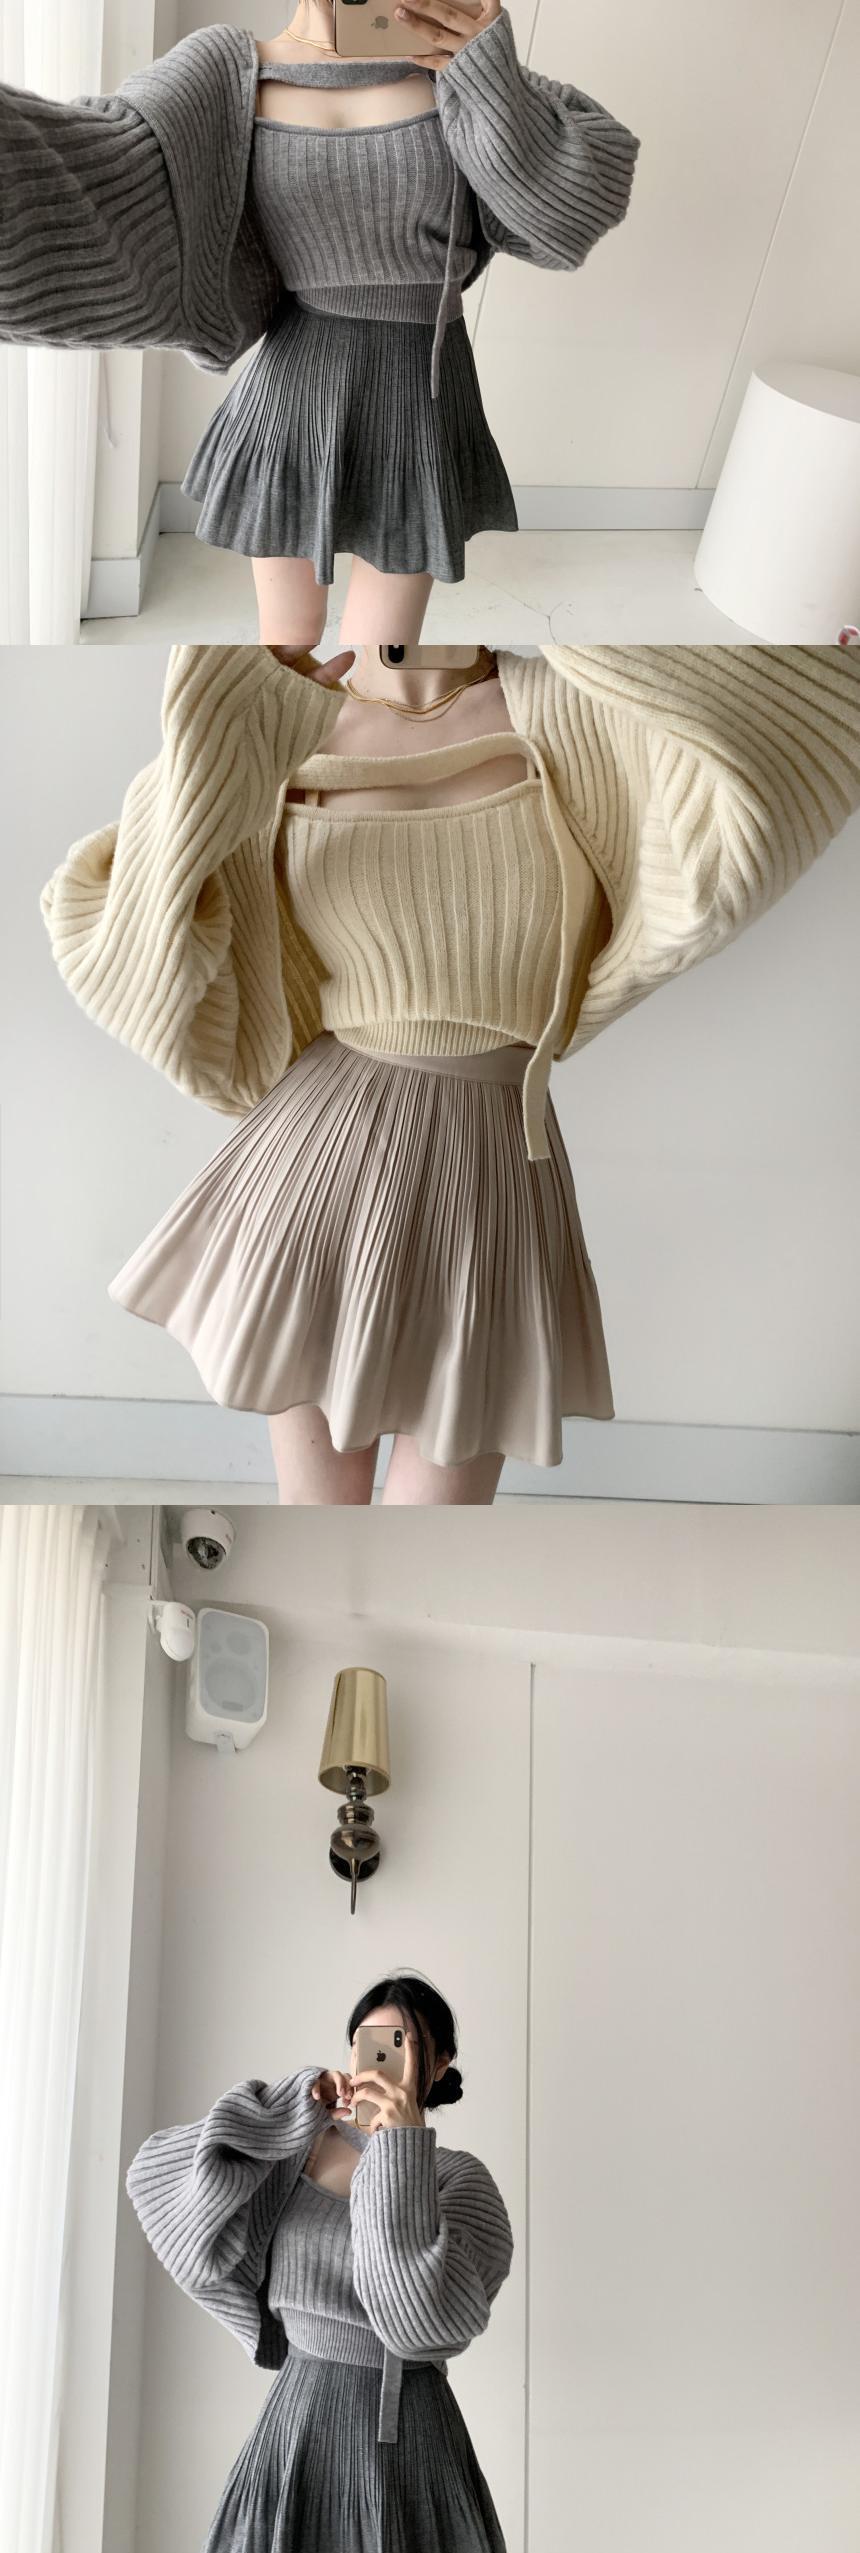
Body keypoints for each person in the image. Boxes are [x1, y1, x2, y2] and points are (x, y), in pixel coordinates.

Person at [39, 634, 860, 1503]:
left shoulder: (574, 707)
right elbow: (120, 946)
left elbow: (774, 768)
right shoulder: (289, 720)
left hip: (494, 1172)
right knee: (317, 1518)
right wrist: (230, 720)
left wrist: (588, 628)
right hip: (317, 1165)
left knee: (433, 1528)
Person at [0, 1, 639, 643]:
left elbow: (572, 213)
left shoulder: (453, 63)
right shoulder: (223, 73)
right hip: (291, 396)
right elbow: (87, 170)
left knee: (378, 655)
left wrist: (488, 78)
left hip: (422, 399)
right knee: (289, 643)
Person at [127, 1973, 513, 2553]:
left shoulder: (459, 2180)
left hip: (405, 2436)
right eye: (369, 2041)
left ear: (439, 2064)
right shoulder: (298, 2148)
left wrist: (399, 2151)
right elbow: (158, 2182)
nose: (381, 2058)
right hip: (297, 2421)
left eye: (403, 2043)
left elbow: (419, 2323)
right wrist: (286, 2108)